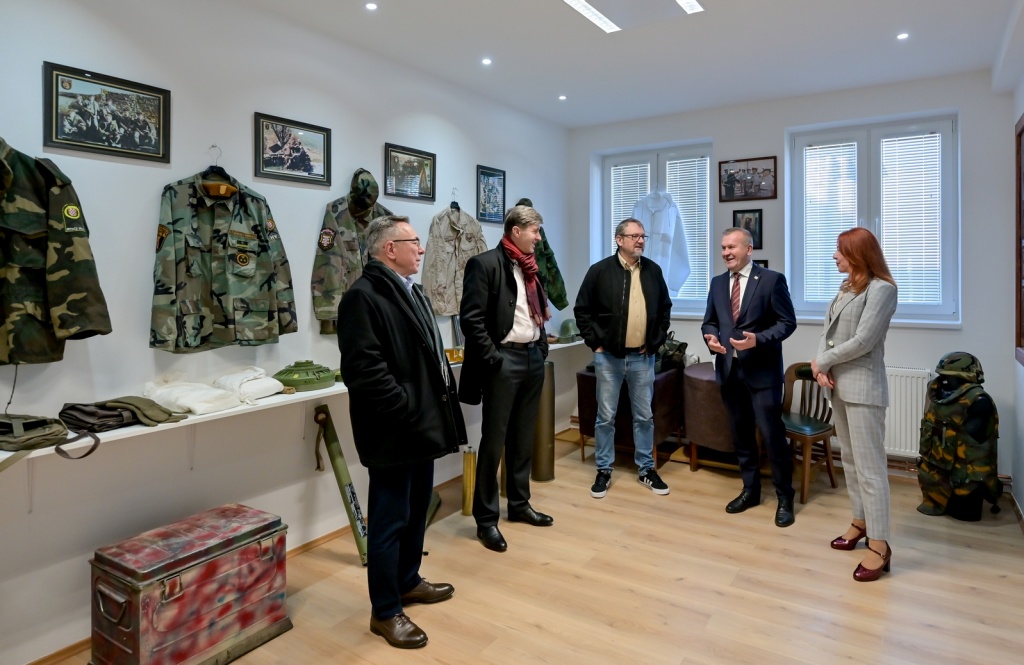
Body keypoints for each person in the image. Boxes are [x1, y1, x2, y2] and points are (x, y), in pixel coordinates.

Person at [338, 215, 467, 648]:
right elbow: (364, 371)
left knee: (416, 510)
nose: (422, 249)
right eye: (414, 242)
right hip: (394, 430)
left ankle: (408, 580)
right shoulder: (362, 296)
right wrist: (406, 406)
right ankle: (385, 610)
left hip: (419, 427)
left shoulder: (411, 290)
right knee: (389, 521)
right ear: (389, 249)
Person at [459, 204, 552, 553]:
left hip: (531, 357)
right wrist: (494, 359)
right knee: (494, 440)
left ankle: (519, 504)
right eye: (535, 231)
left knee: (523, 437)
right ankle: (486, 520)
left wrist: (540, 347)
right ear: (516, 231)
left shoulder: (531, 266)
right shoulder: (484, 264)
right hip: (503, 360)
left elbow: (533, 314)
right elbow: (471, 320)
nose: (539, 237)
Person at [811, 227, 898, 582]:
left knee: (871, 469)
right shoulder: (848, 286)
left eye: (839, 250)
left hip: (864, 389)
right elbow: (828, 332)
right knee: (849, 460)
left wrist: (823, 361)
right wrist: (821, 367)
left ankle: (879, 545)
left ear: (858, 253)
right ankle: (860, 523)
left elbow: (864, 340)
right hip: (838, 386)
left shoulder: (882, 289)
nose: (834, 255)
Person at [701, 227, 797, 527]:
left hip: (763, 374)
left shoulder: (771, 280)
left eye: (732, 247)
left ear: (749, 249)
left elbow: (787, 322)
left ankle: (785, 497)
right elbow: (710, 321)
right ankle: (750, 491)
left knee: (772, 437)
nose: (726, 253)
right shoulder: (717, 283)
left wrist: (758, 340)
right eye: (723, 247)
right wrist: (710, 338)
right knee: (741, 436)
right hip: (729, 372)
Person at [574, 218, 673, 498]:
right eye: (634, 236)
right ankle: (604, 470)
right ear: (619, 240)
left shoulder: (653, 271)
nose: (640, 241)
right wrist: (595, 344)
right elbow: (582, 310)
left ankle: (646, 469)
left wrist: (655, 342)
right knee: (605, 416)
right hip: (608, 358)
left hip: (643, 357)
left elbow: (664, 309)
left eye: (643, 236)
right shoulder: (599, 271)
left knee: (644, 416)